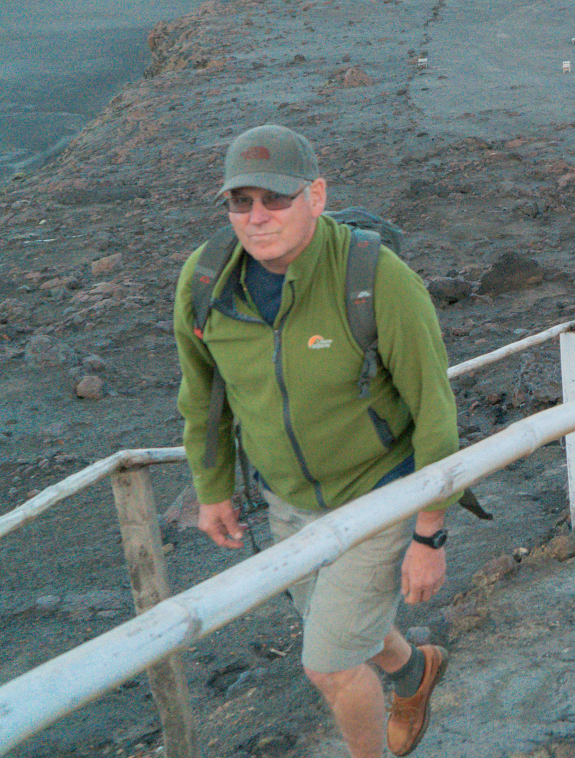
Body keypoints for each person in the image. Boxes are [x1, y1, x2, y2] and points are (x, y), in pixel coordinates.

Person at [176, 126, 459, 758]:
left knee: (327, 663)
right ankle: (416, 672)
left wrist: (429, 532)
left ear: (317, 195)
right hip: (289, 500)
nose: (256, 217)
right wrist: (212, 488)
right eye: (240, 201)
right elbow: (201, 395)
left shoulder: (374, 276)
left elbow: (435, 409)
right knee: (334, 628)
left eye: (275, 198)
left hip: (380, 490)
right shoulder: (206, 283)